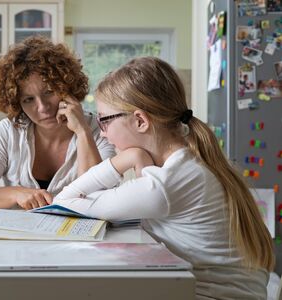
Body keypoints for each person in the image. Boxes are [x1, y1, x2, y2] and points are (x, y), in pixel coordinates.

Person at [53, 57, 274, 299]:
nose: (103, 134)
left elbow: (65, 199)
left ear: (140, 120)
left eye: (104, 121)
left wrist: (126, 159)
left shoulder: (167, 182)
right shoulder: (190, 161)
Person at [0, 36, 115, 210]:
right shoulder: (7, 132)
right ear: (17, 103)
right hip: (19, 234)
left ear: (66, 86)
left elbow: (98, 199)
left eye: (49, 92)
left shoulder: (99, 130)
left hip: (78, 234)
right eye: (28, 99)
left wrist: (82, 132)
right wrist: (16, 193)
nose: (42, 107)